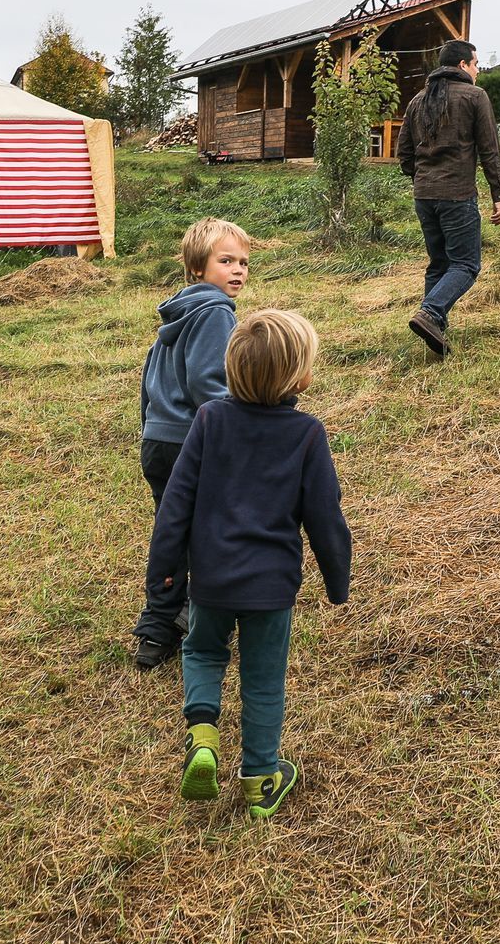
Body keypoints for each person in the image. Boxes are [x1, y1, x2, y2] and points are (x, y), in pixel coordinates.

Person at [146, 309, 351, 820]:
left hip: (210, 578)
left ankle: (204, 740)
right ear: (299, 377)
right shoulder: (307, 434)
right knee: (262, 678)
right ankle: (261, 778)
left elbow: (176, 503)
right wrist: (337, 579)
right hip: (271, 587)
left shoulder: (209, 420)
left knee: (203, 651)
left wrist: (164, 570)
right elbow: (325, 517)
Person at [132, 217, 249, 671]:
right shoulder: (216, 312)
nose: (237, 270)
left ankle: (158, 628)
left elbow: (148, 384)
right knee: (210, 537)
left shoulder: (177, 313)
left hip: (158, 441)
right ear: (198, 267)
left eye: (243, 262)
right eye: (226, 261)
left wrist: (152, 429)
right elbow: (210, 385)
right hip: (192, 444)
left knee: (171, 535)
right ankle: (197, 621)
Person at [395, 39, 500, 357]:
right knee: (466, 265)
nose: (478, 70)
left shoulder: (418, 99)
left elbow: (404, 153)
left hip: (424, 196)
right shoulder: (474, 96)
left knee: (439, 264)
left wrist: (421, 177)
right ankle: (430, 313)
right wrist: (498, 194)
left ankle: (434, 334)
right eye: (475, 64)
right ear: (462, 65)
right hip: (456, 195)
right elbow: (490, 149)